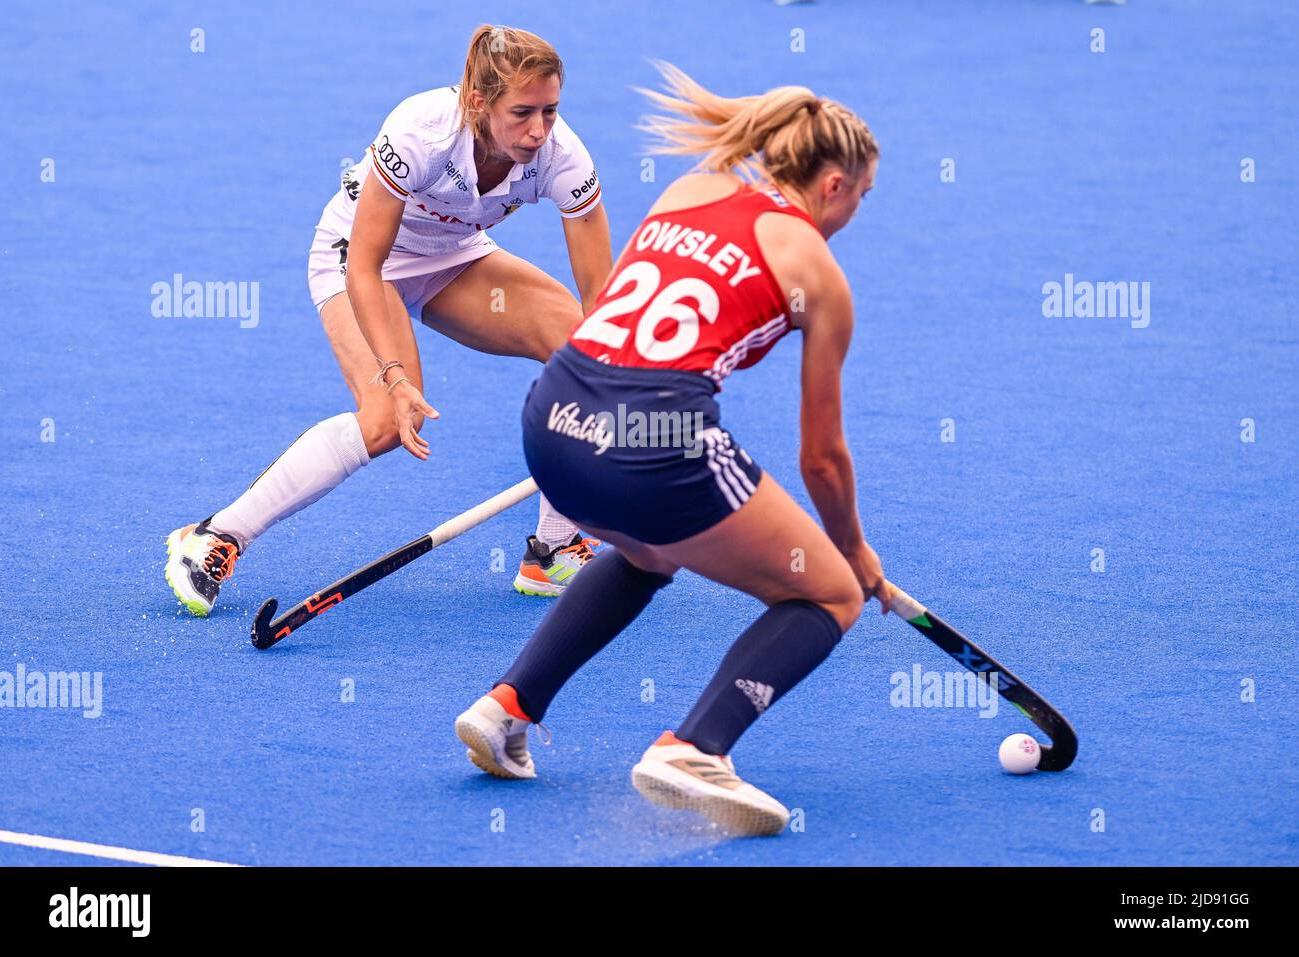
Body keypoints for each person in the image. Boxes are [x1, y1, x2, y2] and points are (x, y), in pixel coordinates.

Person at [454, 62, 891, 836]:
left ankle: (508, 706)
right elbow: (823, 457)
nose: (858, 211)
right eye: (862, 196)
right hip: (655, 447)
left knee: (650, 552)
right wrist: (854, 550)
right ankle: (695, 748)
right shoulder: (819, 272)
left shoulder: (693, 188)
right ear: (832, 186)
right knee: (828, 594)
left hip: (551, 413)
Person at [165, 25, 612, 616]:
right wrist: (397, 377)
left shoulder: (562, 157)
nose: (539, 130)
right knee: (382, 421)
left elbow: (603, 298)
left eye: (551, 111)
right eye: (522, 112)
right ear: (478, 103)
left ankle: (555, 549)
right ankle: (215, 536)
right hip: (357, 259)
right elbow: (367, 266)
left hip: (454, 257)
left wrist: (624, 369)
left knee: (584, 350)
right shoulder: (420, 131)